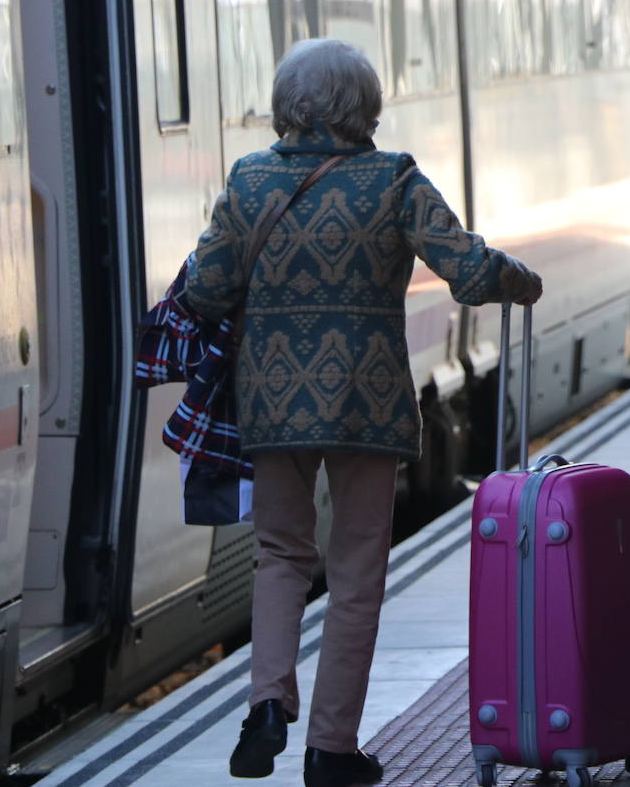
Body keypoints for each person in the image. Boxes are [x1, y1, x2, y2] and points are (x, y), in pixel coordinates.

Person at [184, 38, 542, 787]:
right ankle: (330, 748)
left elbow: (205, 291)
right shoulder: (393, 179)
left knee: (281, 555)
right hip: (365, 406)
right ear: (365, 106)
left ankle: (267, 703)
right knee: (355, 573)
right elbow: (472, 273)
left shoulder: (249, 181)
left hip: (274, 405)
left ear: (289, 103)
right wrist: (521, 281)